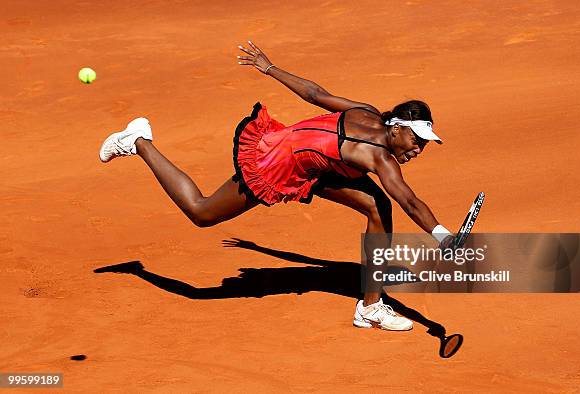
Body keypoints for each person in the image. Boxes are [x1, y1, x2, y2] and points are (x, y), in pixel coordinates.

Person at [99, 41, 455, 331]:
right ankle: (140, 142)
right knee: (202, 212)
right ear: (396, 128)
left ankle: (370, 308)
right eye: (416, 139)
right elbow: (410, 201)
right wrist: (442, 236)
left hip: (316, 165)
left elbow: (316, 94)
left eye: (424, 143)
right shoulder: (379, 158)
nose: (418, 148)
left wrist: (269, 68)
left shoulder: (367, 112)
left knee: (378, 207)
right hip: (279, 162)